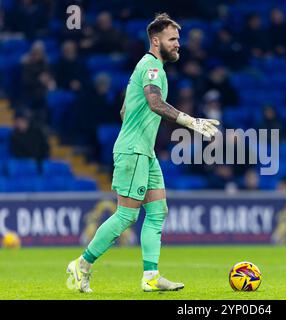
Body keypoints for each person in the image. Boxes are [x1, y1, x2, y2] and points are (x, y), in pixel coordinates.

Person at [66, 13, 220, 293]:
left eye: (178, 39)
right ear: (155, 40)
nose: (178, 45)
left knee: (158, 211)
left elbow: (126, 109)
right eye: (173, 39)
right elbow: (154, 102)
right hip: (134, 152)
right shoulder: (151, 66)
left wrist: (137, 126)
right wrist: (191, 121)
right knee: (126, 216)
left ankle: (150, 276)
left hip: (143, 152)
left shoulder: (148, 68)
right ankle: (82, 265)